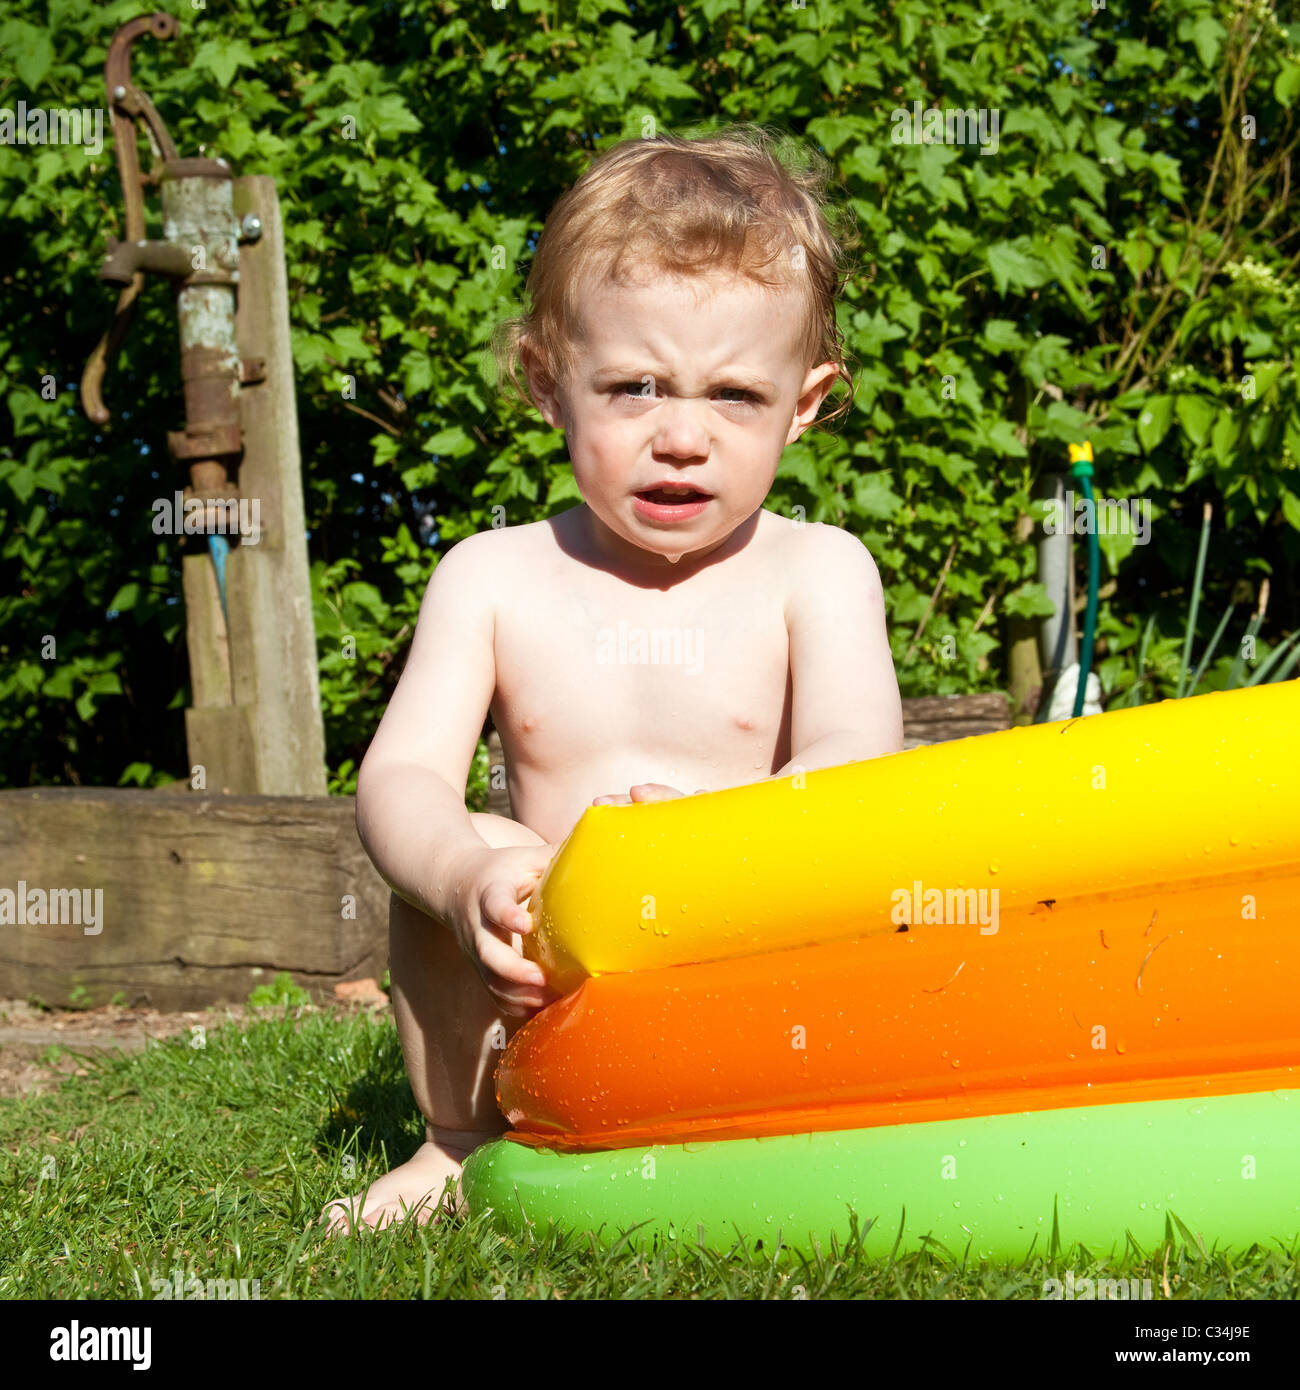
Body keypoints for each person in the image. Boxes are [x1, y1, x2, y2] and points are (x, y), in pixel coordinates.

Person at [320, 123, 904, 1233]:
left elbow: (855, 767)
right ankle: (461, 1138)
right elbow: (399, 779)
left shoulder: (817, 572)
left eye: (733, 396)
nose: (682, 437)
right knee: (482, 846)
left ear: (807, 402)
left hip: (744, 955)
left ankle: (777, 1129)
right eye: (635, 386)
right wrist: (458, 878)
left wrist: (715, 844)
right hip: (546, 983)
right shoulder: (492, 577)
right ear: (549, 383)